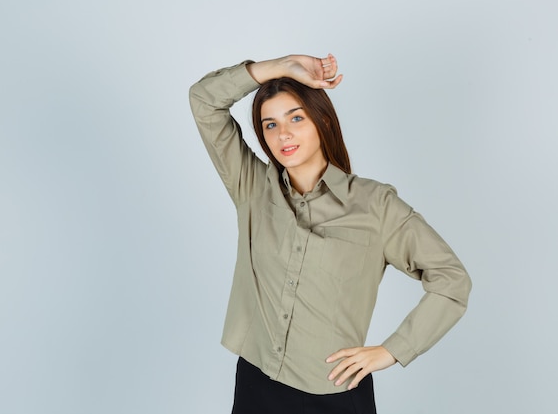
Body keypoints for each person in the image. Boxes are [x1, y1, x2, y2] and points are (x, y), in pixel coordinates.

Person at [189, 54, 471, 414]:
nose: (283, 133)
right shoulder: (253, 188)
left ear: (322, 120)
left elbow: (452, 280)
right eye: (270, 125)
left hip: (333, 394)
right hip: (255, 383)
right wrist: (279, 67)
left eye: (296, 118)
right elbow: (204, 99)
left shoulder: (375, 205)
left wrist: (393, 350)